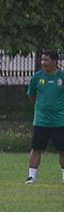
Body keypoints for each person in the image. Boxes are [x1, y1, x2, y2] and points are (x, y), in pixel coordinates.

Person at [25, 49, 64, 184]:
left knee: (62, 149)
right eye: (42, 60)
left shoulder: (62, 77)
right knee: (36, 148)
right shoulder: (37, 77)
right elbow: (31, 95)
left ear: (54, 61)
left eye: (46, 60)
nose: (43, 63)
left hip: (60, 121)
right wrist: (41, 108)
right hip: (41, 121)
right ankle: (31, 177)